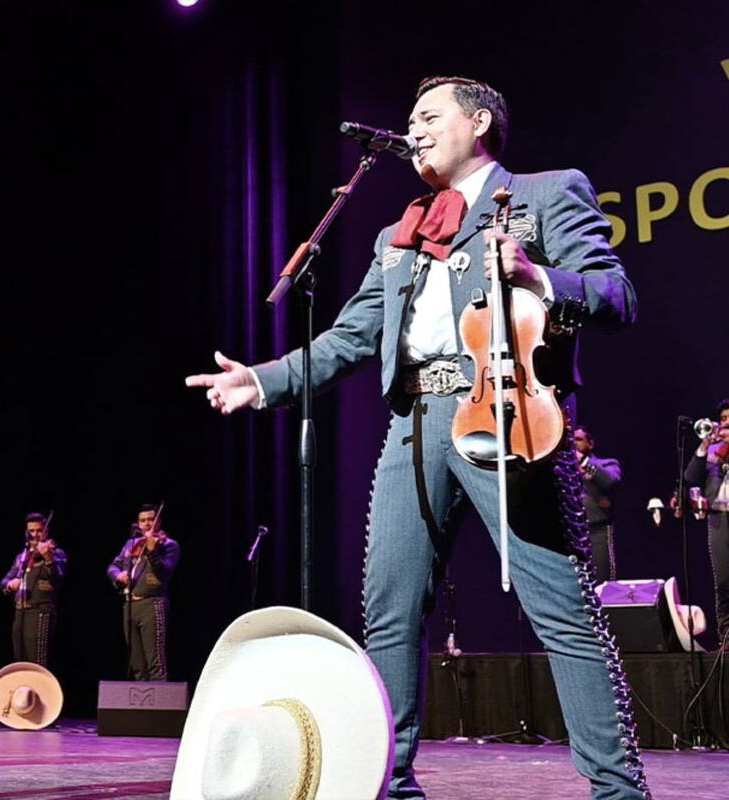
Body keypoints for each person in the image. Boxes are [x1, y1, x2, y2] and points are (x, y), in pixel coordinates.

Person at [186, 77, 650, 798]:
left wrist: (538, 275)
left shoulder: (546, 193)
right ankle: (391, 783)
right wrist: (264, 379)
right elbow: (351, 338)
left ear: (481, 121)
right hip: (413, 425)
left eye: (429, 116)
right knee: (390, 610)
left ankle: (618, 788)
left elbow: (615, 292)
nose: (414, 130)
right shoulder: (396, 235)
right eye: (409, 120)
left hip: (509, 414)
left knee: (561, 607)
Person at [107, 504, 180, 681]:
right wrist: (118, 575)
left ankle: (159, 705)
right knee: (137, 663)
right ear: (138, 524)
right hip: (130, 604)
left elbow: (164, 572)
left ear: (158, 522)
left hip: (152, 604)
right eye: (143, 520)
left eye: (151, 520)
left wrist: (153, 552)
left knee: (155, 661)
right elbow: (112, 567)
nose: (147, 524)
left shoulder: (168, 545)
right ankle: (141, 704)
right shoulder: (131, 544)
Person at [683, 399, 729, 647]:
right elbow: (690, 477)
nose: (725, 423)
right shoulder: (711, 451)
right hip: (719, 518)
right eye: (722, 419)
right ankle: (727, 635)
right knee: (723, 580)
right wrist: (704, 445)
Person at [0, 513, 67, 667]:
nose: (35, 535)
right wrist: (10, 584)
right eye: (31, 531)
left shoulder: (56, 553)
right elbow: (3, 582)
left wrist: (49, 559)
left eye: (39, 530)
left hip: (40, 612)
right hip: (20, 611)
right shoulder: (21, 557)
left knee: (37, 661)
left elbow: (58, 577)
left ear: (46, 531)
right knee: (19, 659)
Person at [574, 426, 622, 585]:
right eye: (571, 440)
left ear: (591, 444)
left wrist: (584, 461)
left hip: (598, 531)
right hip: (572, 533)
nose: (574, 444)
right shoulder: (565, 469)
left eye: (579, 440)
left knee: (603, 581)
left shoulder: (607, 464)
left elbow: (611, 481)